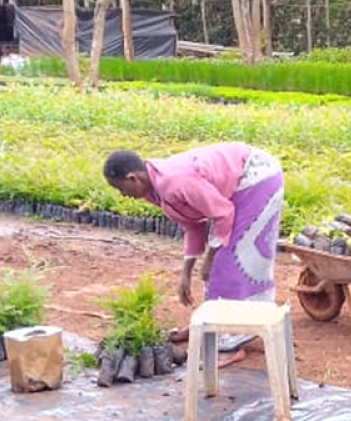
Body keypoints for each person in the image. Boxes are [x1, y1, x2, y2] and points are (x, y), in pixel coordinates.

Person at [104, 143, 285, 365]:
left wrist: (209, 258)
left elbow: (223, 214)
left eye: (120, 188)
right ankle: (211, 324)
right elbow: (193, 226)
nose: (123, 195)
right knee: (221, 261)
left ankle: (232, 342)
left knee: (229, 260)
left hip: (256, 178)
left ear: (133, 178)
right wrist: (186, 275)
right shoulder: (156, 190)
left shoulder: (173, 181)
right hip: (239, 184)